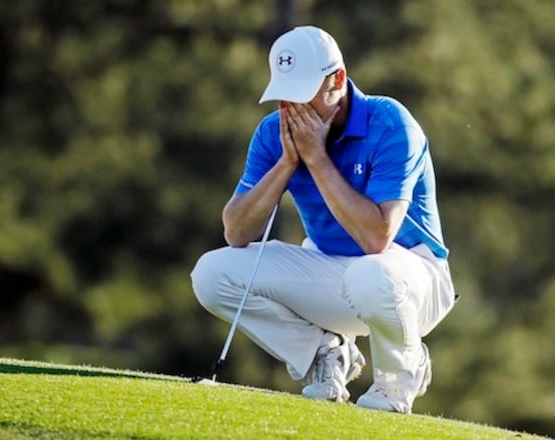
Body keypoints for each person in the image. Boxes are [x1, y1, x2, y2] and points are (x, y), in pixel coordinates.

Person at [190, 25, 457, 414]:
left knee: (370, 274)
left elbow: (377, 239)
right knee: (212, 274)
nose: (292, 109)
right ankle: (325, 353)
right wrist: (286, 163)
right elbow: (236, 231)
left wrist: (316, 158)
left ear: (338, 79)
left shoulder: (392, 123)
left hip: (413, 279)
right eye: (285, 96)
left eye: (304, 95)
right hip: (334, 273)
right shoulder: (273, 134)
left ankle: (400, 376)